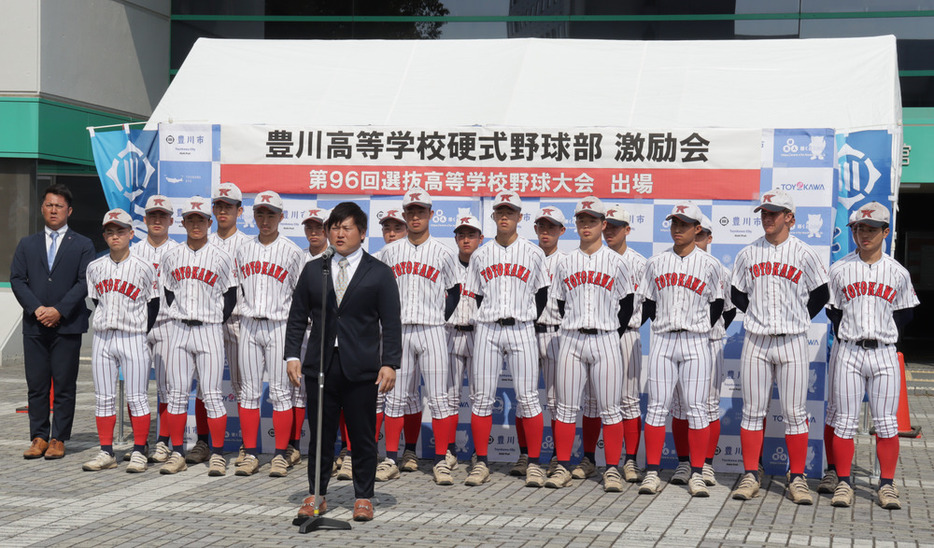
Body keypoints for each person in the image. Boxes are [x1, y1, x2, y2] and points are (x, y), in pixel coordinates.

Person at [285, 201, 402, 522]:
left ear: (362, 234)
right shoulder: (314, 269)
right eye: (334, 227)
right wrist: (292, 355)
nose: (339, 233)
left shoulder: (378, 272)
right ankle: (317, 495)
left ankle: (363, 496)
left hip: (362, 368)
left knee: (362, 436)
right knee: (320, 435)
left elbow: (391, 322)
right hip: (320, 366)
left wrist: (390, 362)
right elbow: (297, 318)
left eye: (346, 227)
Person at [730, 189, 829, 504]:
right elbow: (736, 293)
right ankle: (749, 474)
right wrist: (758, 313)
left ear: (790, 217)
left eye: (774, 212)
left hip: (792, 341)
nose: (767, 217)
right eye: (764, 212)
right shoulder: (748, 253)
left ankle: (797, 477)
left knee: (795, 413)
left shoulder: (805, 253)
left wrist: (798, 317)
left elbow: (821, 293)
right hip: (757, 342)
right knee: (751, 412)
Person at [824, 202, 917, 509]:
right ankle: (844, 483)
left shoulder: (898, 272)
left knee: (888, 423)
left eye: (871, 229)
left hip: (884, 353)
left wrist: (882, 334)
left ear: (885, 232)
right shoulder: (839, 269)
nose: (864, 234)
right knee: (845, 422)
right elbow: (833, 312)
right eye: (859, 228)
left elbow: (905, 315)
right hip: (849, 350)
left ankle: (887, 485)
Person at [545, 197, 633, 493]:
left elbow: (628, 303)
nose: (586, 226)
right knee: (566, 409)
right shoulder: (565, 262)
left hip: (606, 338)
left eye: (592, 221)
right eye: (582, 220)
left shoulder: (618, 262)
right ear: (575, 225)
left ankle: (611, 469)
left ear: (603, 225)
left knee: (610, 409)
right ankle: (564, 467)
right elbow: (557, 301)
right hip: (571, 338)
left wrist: (612, 331)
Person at [464, 191, 550, 488]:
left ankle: (535, 464)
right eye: (500, 211)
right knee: (482, 398)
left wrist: (526, 317)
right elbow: (475, 295)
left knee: (527, 397)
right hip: (487, 328)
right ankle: (482, 462)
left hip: (522, 327)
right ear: (493, 216)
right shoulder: (480, 254)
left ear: (519, 217)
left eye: (510, 211)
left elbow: (543, 294)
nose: (504, 216)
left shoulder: (534, 253)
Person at [637, 202, 723, 498]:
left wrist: (698, 326)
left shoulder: (711, 264)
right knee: (657, 407)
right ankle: (651, 472)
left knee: (697, 408)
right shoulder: (655, 262)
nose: (677, 229)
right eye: (674, 223)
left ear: (697, 229)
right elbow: (647, 302)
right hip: (663, 339)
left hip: (697, 341)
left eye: (684, 224)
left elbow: (718, 304)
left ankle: (697, 473)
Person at [377, 187, 461, 485]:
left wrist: (439, 318)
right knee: (395, 398)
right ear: (404, 215)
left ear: (430, 215)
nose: (415, 216)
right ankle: (390, 458)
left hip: (432, 331)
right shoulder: (389, 252)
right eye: (410, 211)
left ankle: (440, 460)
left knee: (439, 398)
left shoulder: (444, 252)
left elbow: (455, 292)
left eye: (420, 211)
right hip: (399, 332)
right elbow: (381, 293)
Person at [11, 183, 95, 460]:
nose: (54, 210)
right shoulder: (27, 243)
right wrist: (37, 309)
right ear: (42, 208)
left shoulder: (83, 244)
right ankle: (38, 437)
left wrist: (59, 310)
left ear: (69, 211)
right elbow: (17, 280)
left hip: (67, 325)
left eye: (59, 206)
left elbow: (84, 282)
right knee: (36, 385)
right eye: (49, 204)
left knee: (64, 384)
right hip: (34, 325)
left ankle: (58, 438)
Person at [159, 196, 238, 475]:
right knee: (177, 394)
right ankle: (177, 452)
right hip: (178, 329)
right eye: (190, 219)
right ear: (182, 223)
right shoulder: (171, 256)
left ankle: (217, 453)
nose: (196, 224)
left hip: (208, 330)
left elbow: (231, 296)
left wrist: (214, 319)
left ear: (209, 222)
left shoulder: (222, 256)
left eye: (200, 220)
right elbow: (167, 293)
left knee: (213, 395)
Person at [234, 191, 305, 477]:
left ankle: (280, 454)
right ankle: (250, 453)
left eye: (271, 214)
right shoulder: (243, 250)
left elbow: (300, 299)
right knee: (249, 392)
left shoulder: (292, 251)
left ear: (282, 217)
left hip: (279, 325)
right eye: (260, 214)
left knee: (280, 393)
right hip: (249, 324)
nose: (265, 220)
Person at [82, 209, 158, 473]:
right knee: (103, 397)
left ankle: (138, 450)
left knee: (137, 397)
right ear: (104, 235)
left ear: (131, 234)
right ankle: (106, 451)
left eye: (121, 231)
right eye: (110, 232)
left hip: (133, 336)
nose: (116, 236)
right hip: (103, 337)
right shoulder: (95, 267)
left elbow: (155, 304)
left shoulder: (144, 267)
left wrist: (141, 331)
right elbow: (95, 300)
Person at [669, 214, 736, 487]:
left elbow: (728, 311)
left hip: (708, 343)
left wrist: (711, 329)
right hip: (679, 342)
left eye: (701, 235)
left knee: (707, 406)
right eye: (693, 235)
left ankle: (705, 465)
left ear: (708, 237)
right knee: (680, 406)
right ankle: (684, 463)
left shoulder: (719, 269)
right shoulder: (673, 266)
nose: (696, 240)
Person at [186, 182, 250, 467]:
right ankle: (202, 441)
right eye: (219, 206)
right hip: (206, 325)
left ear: (239, 210)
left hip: (237, 321)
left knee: (241, 384)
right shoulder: (202, 241)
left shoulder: (248, 244)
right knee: (204, 387)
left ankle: (247, 447)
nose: (223, 210)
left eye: (229, 206)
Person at [515, 206, 566, 478]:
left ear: (561, 230)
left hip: (556, 332)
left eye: (552, 227)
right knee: (525, 399)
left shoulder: (567, 262)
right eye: (542, 227)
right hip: (525, 332)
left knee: (557, 400)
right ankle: (525, 455)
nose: (546, 232)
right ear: (535, 229)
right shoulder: (524, 257)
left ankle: (558, 457)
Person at [131, 195, 180, 464]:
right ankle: (140, 443)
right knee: (136, 388)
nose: (157, 220)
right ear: (145, 219)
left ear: (171, 220)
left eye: (162, 215)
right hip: (137, 327)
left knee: (168, 388)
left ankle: (163, 442)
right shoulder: (134, 250)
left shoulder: (179, 251)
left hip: (167, 325)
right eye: (153, 215)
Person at [603, 204, 648, 483]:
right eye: (606, 226)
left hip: (628, 334)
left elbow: (650, 305)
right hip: (599, 335)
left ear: (627, 230)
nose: (609, 231)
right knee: (597, 402)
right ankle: (589, 458)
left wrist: (627, 327)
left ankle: (630, 461)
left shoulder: (640, 263)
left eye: (616, 227)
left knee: (629, 401)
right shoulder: (593, 258)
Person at [291, 206, 331, 469]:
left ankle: (339, 452)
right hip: (302, 329)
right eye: (309, 226)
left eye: (319, 227)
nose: (314, 231)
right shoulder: (298, 257)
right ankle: (294, 446)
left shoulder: (337, 257)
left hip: (323, 332)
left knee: (329, 391)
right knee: (296, 392)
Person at [445, 214, 483, 469]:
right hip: (451, 333)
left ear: (481, 238)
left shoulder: (487, 264)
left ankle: (480, 454)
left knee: (481, 398)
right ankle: (448, 451)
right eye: (462, 234)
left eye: (471, 235)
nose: (466, 239)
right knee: (449, 397)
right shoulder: (447, 265)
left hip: (479, 335)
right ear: (456, 238)